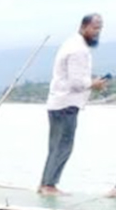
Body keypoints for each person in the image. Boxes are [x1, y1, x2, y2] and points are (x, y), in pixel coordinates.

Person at [40, 14, 107, 196]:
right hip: (66, 104)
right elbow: (76, 83)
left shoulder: (71, 44)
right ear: (84, 27)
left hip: (57, 102)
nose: (97, 32)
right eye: (94, 28)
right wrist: (94, 83)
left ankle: (45, 183)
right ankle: (49, 185)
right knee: (63, 146)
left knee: (55, 146)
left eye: (100, 29)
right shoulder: (79, 50)